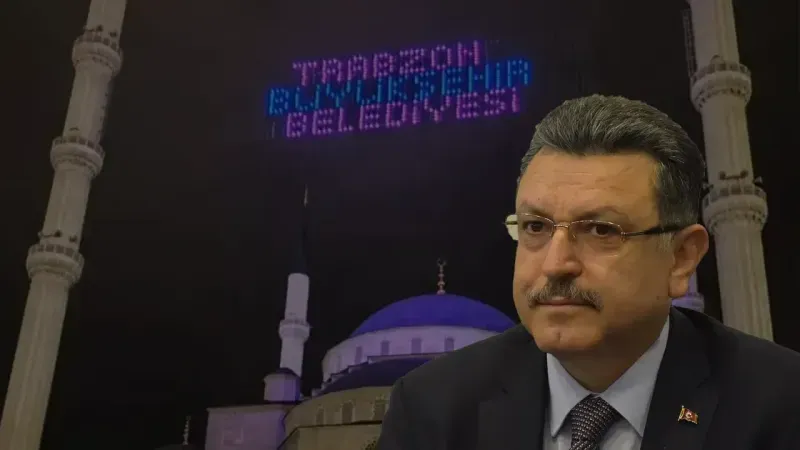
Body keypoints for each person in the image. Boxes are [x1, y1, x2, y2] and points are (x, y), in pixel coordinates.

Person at [377, 95, 800, 450]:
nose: (555, 264)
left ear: (681, 258)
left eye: (601, 230)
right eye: (536, 227)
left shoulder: (780, 405)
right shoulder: (433, 408)